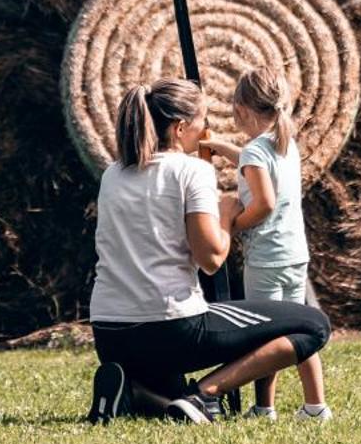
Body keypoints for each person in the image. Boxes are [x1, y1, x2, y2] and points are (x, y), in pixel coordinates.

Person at [87, 76, 330, 425]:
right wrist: (228, 214)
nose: (206, 129)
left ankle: (135, 393)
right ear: (181, 127)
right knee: (313, 326)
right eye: (202, 120)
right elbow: (212, 259)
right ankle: (203, 395)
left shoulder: (113, 174)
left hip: (110, 335)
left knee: (166, 392)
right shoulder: (192, 171)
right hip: (171, 329)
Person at [203, 67, 332, 422]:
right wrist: (219, 147)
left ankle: (263, 408)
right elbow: (251, 160)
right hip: (294, 255)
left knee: (263, 335)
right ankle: (315, 406)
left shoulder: (255, 152)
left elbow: (264, 203)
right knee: (301, 332)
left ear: (241, 110)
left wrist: (232, 223)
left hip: (267, 259)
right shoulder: (284, 143)